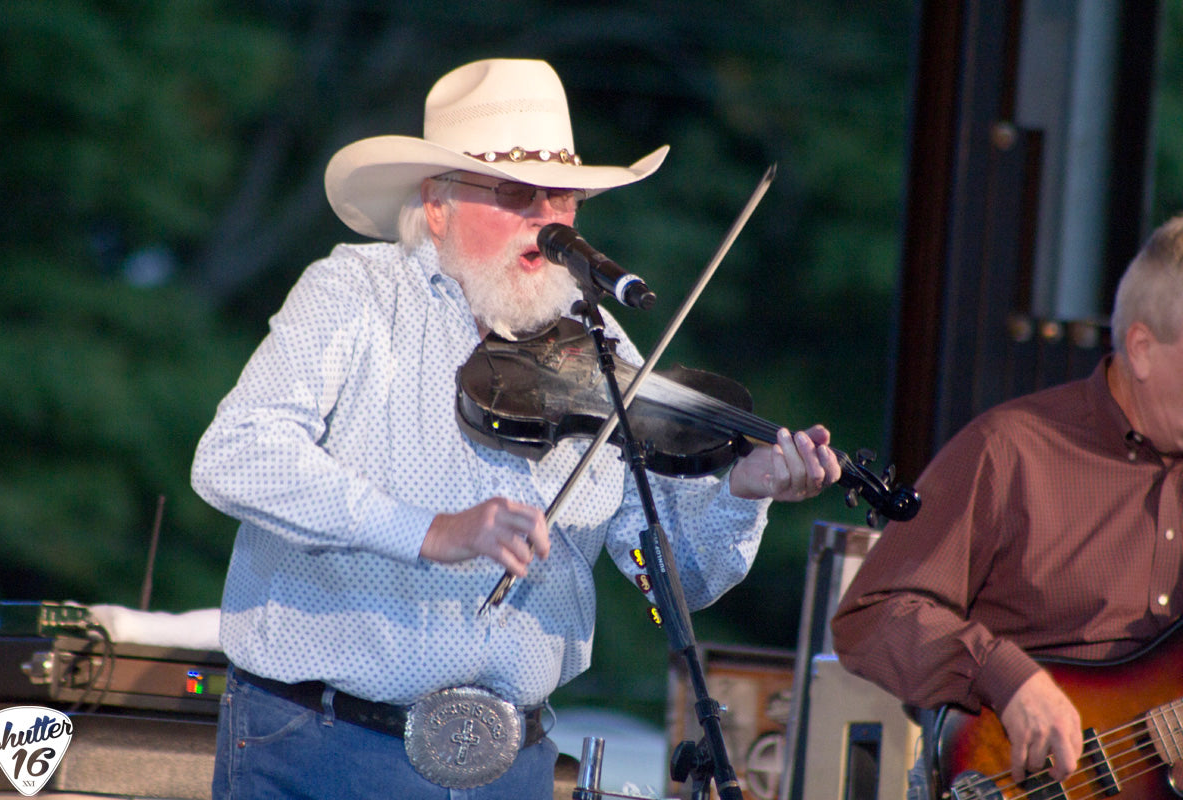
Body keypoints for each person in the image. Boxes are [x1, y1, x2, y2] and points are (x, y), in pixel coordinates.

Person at [191, 58, 842, 800]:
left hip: (513, 764)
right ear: (437, 204)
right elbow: (235, 456)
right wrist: (427, 530)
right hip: (330, 746)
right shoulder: (354, 293)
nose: (547, 218)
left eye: (561, 196)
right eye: (514, 194)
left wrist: (739, 492)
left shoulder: (603, 349)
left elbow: (674, 578)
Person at [830, 214, 1183, 795]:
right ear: (1142, 348)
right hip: (1004, 777)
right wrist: (1005, 675)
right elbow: (873, 615)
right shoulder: (1009, 450)